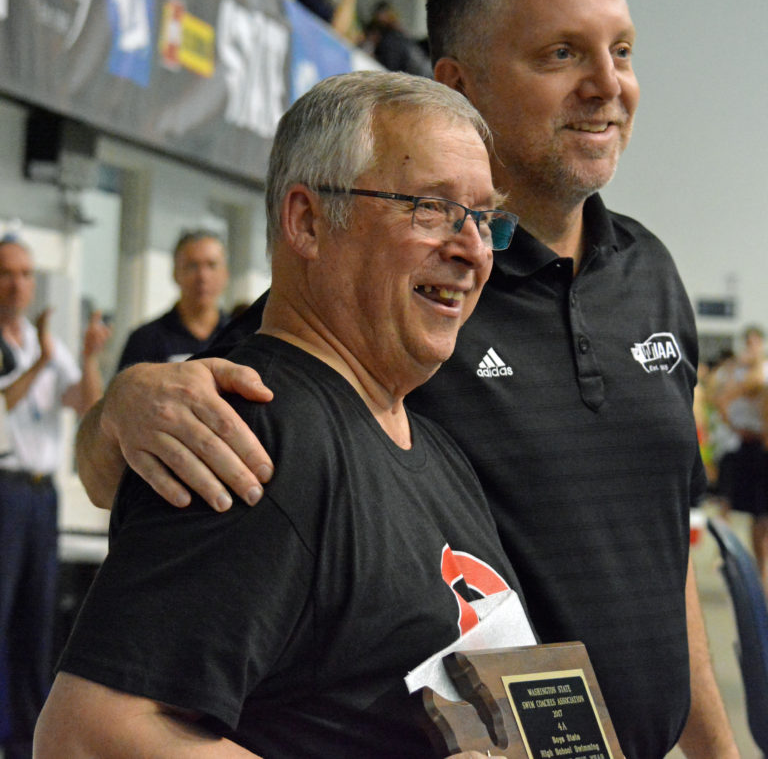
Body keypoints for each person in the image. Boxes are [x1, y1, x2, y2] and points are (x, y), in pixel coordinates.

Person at [73, 0, 739, 757]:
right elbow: (198, 438)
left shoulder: (650, 277)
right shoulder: (364, 333)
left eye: (622, 51)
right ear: (459, 83)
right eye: (561, 53)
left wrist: (717, 749)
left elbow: (665, 555)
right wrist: (124, 405)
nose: (606, 84)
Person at [35, 72, 528, 758]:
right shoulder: (254, 437)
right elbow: (88, 738)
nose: (473, 249)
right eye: (430, 208)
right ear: (306, 220)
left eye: (483, 218)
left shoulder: (431, 448)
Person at [0, 235, 109, 759]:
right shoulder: (22, 347)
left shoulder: (42, 341)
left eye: (24, 273)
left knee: (35, 617)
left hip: (41, 501)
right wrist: (42, 361)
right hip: (5, 490)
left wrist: (88, 357)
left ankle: (25, 739)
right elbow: (4, 404)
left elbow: (85, 402)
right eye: (6, 273)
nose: (17, 284)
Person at [116, 229, 230, 370]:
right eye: (192, 266)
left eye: (212, 265)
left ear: (226, 273)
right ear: (175, 273)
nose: (202, 276)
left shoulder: (242, 337)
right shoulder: (145, 340)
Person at [713, 326, 768, 587]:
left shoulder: (762, 370)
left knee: (761, 514)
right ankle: (738, 563)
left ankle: (760, 568)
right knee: (732, 504)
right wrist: (734, 426)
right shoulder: (739, 372)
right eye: (749, 342)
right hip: (744, 444)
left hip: (762, 445)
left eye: (756, 343)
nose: (752, 347)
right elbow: (721, 397)